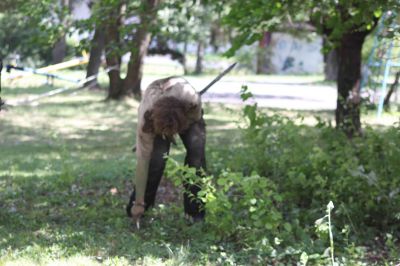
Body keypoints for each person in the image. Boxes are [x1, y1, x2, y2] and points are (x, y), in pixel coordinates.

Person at [126, 76, 207, 225]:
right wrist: (138, 203)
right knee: (155, 162)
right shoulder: (146, 118)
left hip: (186, 113)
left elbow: (195, 120)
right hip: (155, 119)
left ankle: (195, 212)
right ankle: (141, 208)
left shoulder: (192, 99)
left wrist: (178, 128)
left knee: (197, 157)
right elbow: (142, 164)